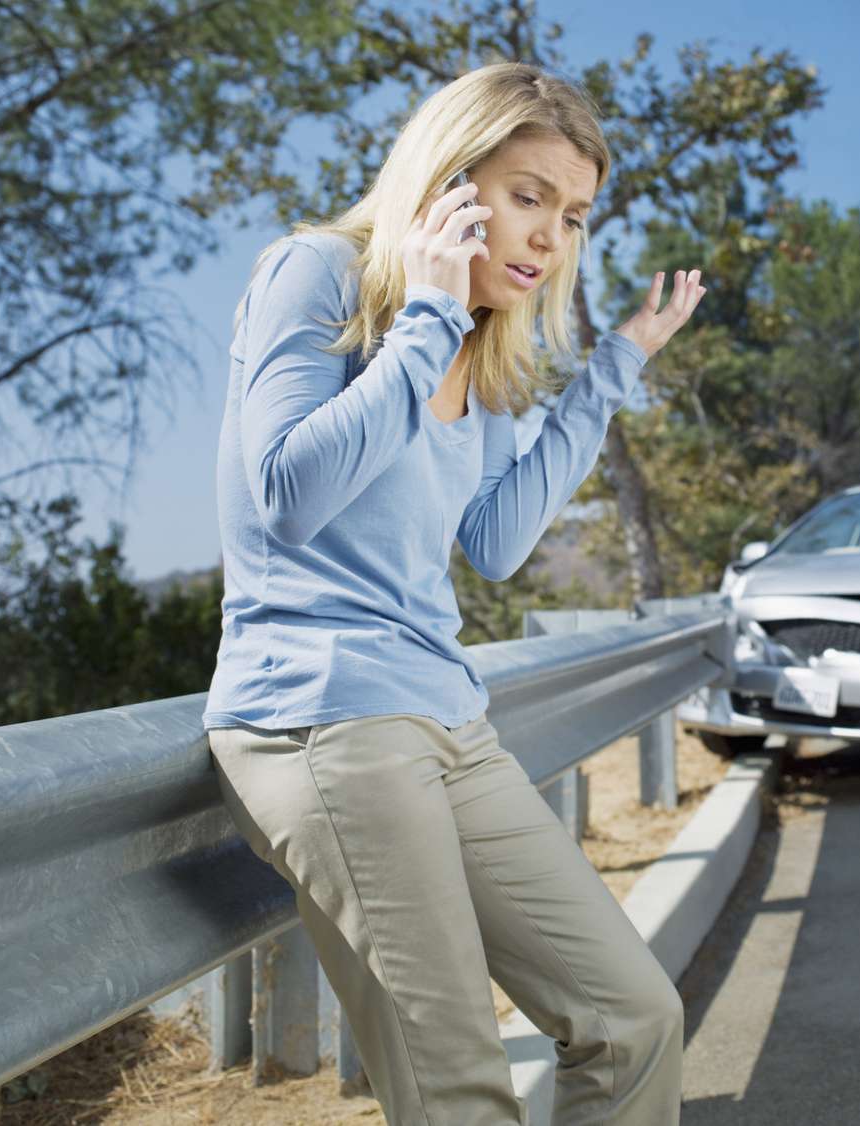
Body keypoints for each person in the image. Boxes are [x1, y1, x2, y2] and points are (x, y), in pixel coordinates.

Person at [201, 60, 706, 1125]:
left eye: (572, 216)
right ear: (449, 177)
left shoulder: (481, 342)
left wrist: (614, 366)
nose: (549, 239)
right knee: (461, 1092)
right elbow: (286, 491)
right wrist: (425, 318)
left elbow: (498, 540)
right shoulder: (321, 275)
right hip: (328, 719)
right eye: (529, 198)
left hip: (447, 720)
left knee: (635, 1018)